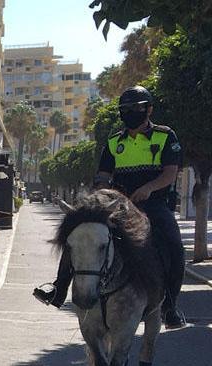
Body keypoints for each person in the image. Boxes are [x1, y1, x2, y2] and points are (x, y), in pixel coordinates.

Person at [33, 86, 186, 329]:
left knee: (175, 245)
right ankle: (58, 288)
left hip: (153, 204)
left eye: (137, 108)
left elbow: (170, 173)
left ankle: (170, 307)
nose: (131, 113)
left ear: (149, 109)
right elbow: (103, 175)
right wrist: (104, 191)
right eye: (126, 109)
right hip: (118, 205)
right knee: (79, 231)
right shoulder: (114, 141)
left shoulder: (165, 136)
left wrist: (149, 188)